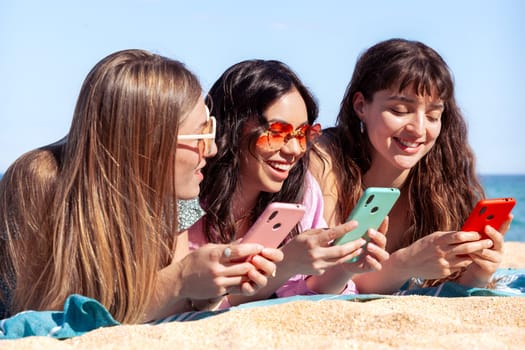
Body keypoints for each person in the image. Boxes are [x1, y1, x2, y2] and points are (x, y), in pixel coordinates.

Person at [0, 49, 282, 323]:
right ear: (148, 140)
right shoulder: (39, 180)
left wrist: (210, 288)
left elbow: (162, 310)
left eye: (212, 127)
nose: (210, 148)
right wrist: (180, 278)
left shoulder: (174, 194)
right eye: (201, 133)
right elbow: (48, 321)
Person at [309, 38, 513, 293]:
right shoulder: (325, 161)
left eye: (432, 116)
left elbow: (444, 290)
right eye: (399, 110)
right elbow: (320, 286)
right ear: (361, 105)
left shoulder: (439, 178)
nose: (418, 130)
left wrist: (477, 275)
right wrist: (405, 264)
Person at [189, 59, 390, 307]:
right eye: (277, 133)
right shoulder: (191, 191)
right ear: (234, 126)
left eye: (302, 134)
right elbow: (191, 306)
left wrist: (344, 269)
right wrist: (285, 265)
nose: (294, 149)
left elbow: (308, 296)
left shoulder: (303, 191)